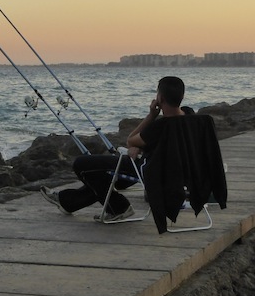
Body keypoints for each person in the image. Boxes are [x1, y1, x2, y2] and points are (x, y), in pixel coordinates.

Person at [40, 76, 191, 221]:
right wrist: (142, 146)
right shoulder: (192, 117)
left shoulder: (160, 127)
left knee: (81, 164)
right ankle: (67, 201)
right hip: (183, 174)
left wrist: (151, 116)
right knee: (107, 178)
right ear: (182, 96)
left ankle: (119, 208)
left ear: (160, 98)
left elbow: (130, 139)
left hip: (150, 172)